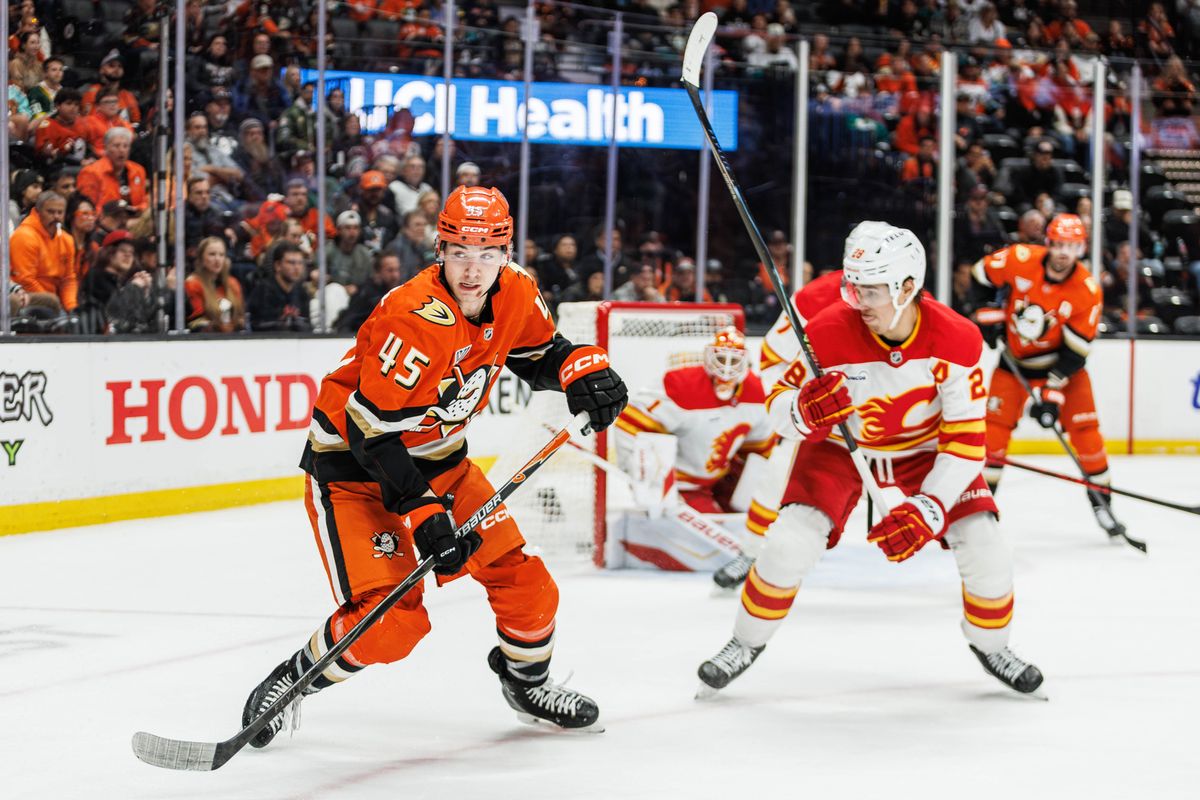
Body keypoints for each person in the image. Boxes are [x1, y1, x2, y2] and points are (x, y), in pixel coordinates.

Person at [241, 186, 628, 746]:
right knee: (393, 623)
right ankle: (293, 679)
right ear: (440, 249)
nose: (473, 270)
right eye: (460, 252)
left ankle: (527, 685)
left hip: (442, 463)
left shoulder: (516, 289)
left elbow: (540, 354)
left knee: (529, 585)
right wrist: (423, 512)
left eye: (487, 253)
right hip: (356, 470)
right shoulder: (413, 316)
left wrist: (582, 369)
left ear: (506, 253)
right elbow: (370, 433)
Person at [697, 221, 1044, 698]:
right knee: (787, 544)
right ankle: (744, 642)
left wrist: (929, 508)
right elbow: (776, 402)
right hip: (840, 450)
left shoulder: (958, 340)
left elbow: (966, 442)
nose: (858, 301)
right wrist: (802, 411)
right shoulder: (826, 331)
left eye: (872, 291)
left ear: (907, 286)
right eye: (854, 287)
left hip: (923, 453)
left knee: (985, 543)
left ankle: (993, 646)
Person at [971, 213, 1125, 541]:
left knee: (1087, 436)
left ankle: (1103, 506)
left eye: (1071, 246)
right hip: (1014, 364)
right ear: (1048, 243)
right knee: (991, 437)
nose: (1063, 253)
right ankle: (981, 509)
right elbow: (978, 274)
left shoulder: (1087, 290)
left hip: (1064, 369)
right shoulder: (1019, 258)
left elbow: (1075, 354)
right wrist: (988, 314)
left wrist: (1051, 394)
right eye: (1058, 244)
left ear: (1081, 249)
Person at [613, 326, 781, 586]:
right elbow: (629, 424)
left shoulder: (757, 392)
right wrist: (645, 477)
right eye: (721, 357)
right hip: (683, 486)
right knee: (712, 550)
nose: (726, 367)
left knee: (762, 514)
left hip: (720, 479)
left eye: (734, 360)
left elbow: (761, 448)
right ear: (708, 356)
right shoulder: (681, 386)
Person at [10, 190, 76, 311]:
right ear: (38, 212)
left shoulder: (67, 239)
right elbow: (25, 281)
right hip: (27, 299)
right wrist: (54, 305)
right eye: (50, 212)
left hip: (54, 302)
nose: (56, 216)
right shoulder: (24, 236)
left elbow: (68, 280)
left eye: (60, 212)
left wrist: (71, 307)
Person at [76, 127, 148, 213]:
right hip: (104, 219)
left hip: (135, 218)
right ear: (106, 147)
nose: (121, 150)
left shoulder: (138, 170)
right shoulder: (91, 173)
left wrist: (138, 210)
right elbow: (88, 209)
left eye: (125, 146)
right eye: (116, 146)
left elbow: (144, 203)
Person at [247, 242, 311, 332]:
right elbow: (257, 326)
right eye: (291, 263)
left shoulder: (302, 293)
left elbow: (307, 326)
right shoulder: (262, 292)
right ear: (278, 265)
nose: (297, 267)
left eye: (300, 263)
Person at [185, 236, 245, 333]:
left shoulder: (233, 283)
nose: (217, 259)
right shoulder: (192, 284)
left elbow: (241, 317)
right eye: (212, 254)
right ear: (201, 259)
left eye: (221, 255)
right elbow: (196, 323)